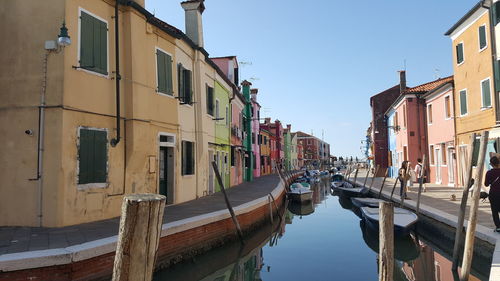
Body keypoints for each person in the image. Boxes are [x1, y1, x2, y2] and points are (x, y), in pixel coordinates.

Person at [485, 156, 500, 232]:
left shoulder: (489, 173)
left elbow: (486, 184)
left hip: (493, 194)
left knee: (495, 211)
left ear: (491, 164)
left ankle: (498, 227)